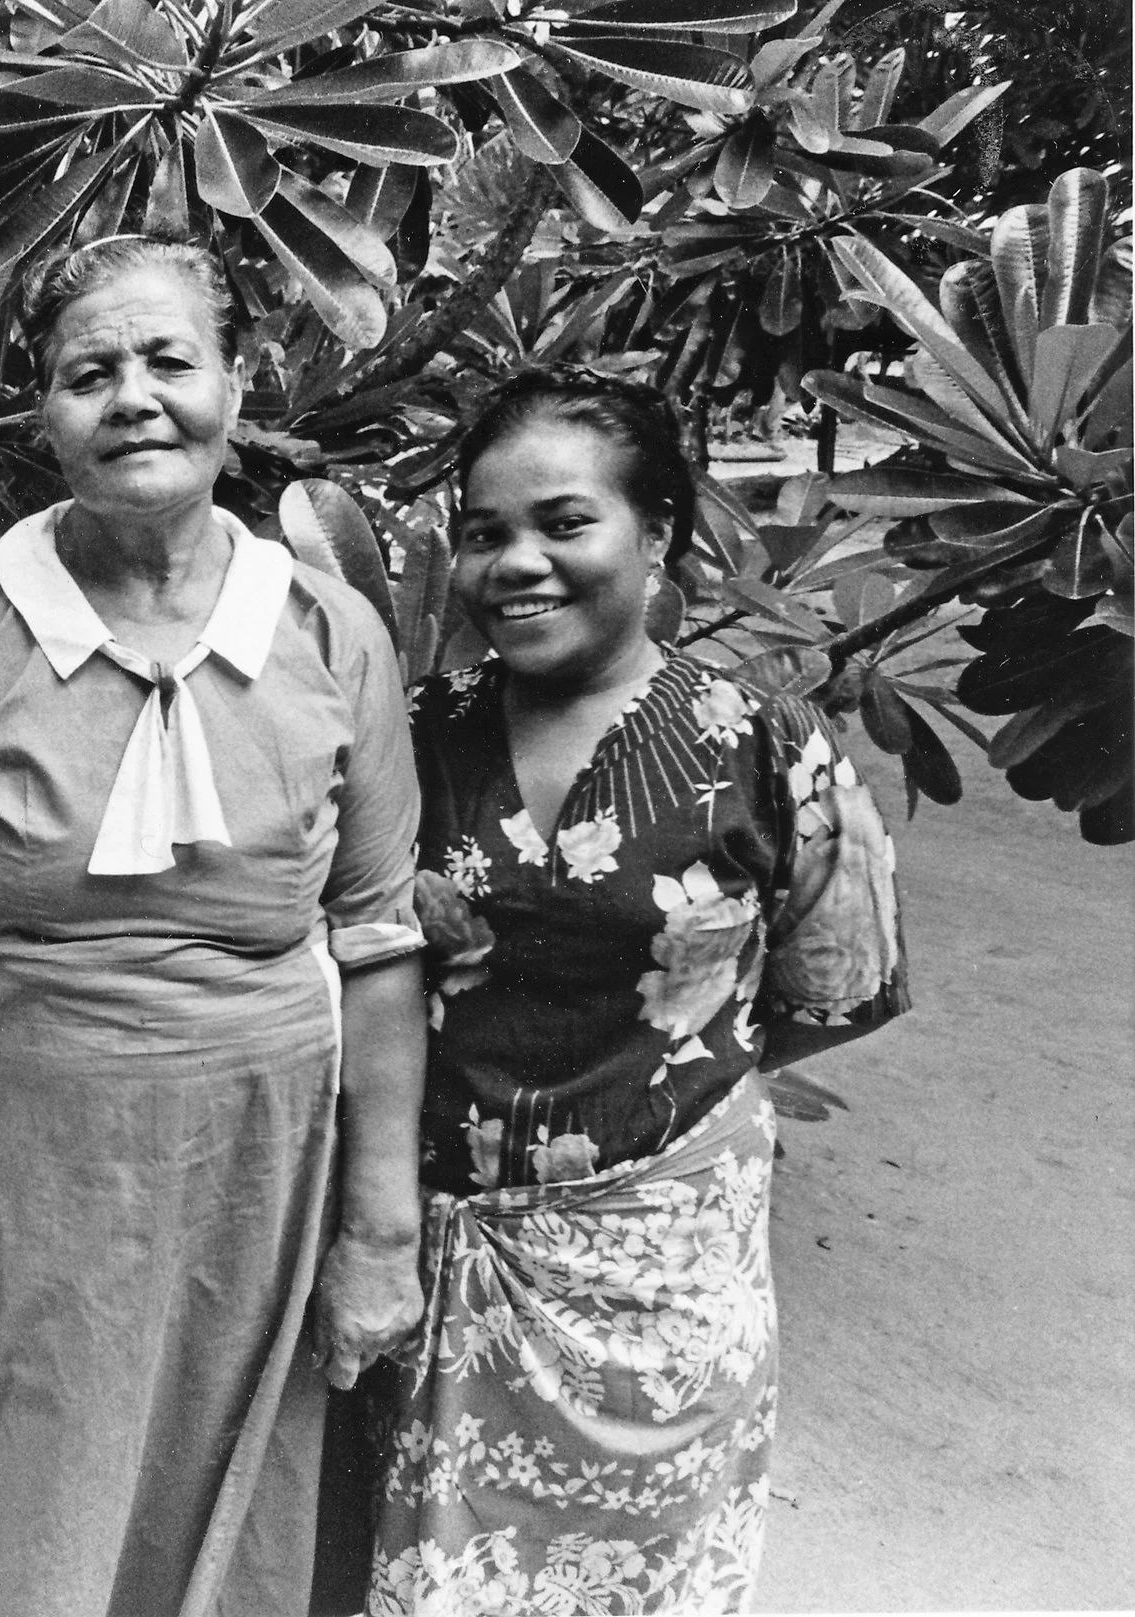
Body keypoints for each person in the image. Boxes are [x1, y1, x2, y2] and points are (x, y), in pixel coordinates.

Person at [0, 232, 431, 1617]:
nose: (133, 399)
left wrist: (382, 1228)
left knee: (245, 1521)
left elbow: (381, 936)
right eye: (86, 373)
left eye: (170, 360)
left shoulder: (333, 631)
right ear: (41, 414)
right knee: (27, 1525)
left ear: (238, 385)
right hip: (30, 1167)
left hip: (264, 1162)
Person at [362, 370, 908, 1613]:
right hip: (430, 1266)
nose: (517, 564)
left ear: (655, 535)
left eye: (564, 523)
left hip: (666, 1286)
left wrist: (635, 1123)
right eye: (486, 533)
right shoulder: (407, 736)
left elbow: (835, 984)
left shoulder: (763, 747)